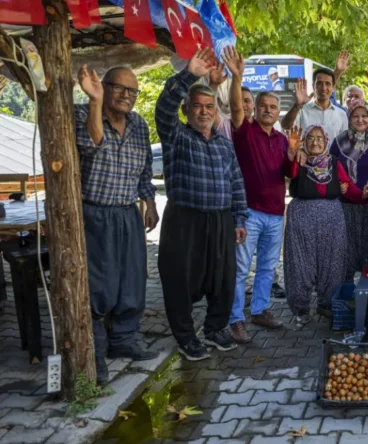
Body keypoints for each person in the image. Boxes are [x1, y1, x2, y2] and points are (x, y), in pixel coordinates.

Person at [155, 48, 248, 361]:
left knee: (223, 278)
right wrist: (188, 76)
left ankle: (215, 329)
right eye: (197, 106)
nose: (204, 111)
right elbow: (163, 110)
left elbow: (236, 183)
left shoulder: (223, 143)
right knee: (179, 279)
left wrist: (239, 219)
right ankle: (186, 337)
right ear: (187, 109)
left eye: (209, 106)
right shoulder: (176, 136)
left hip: (221, 220)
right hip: (184, 220)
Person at [75, 65, 159, 383]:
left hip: (127, 212)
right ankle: (95, 351)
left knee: (131, 280)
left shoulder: (138, 124)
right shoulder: (83, 113)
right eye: (120, 88)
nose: (127, 95)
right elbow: (93, 144)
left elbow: (145, 169)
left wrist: (150, 203)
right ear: (105, 86)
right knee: (100, 285)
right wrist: (95, 101)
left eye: (132, 90)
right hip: (95, 213)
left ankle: (124, 340)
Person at [221, 47, 288, 342]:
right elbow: (237, 109)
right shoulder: (245, 131)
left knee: (267, 267)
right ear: (256, 109)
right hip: (248, 212)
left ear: (277, 112)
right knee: (239, 269)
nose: (268, 110)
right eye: (264, 106)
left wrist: (295, 155)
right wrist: (237, 77)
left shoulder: (283, 140)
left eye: (273, 107)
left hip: (276, 214)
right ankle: (235, 319)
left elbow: (289, 172)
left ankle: (259, 309)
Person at [283, 125, 368, 322]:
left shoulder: (333, 162)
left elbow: (349, 188)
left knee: (332, 261)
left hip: (331, 217)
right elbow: (290, 172)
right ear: (305, 142)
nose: (315, 142)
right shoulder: (300, 159)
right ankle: (301, 309)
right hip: (302, 218)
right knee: (301, 263)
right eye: (310, 138)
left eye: (319, 138)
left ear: (325, 141)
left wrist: (364, 194)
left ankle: (327, 304)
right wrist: (292, 153)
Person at [330, 70, 368, 301]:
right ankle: (346, 298)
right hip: (346, 207)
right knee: (346, 252)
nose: (360, 120)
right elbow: (331, 168)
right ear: (349, 118)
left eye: (364, 116)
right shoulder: (339, 142)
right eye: (355, 116)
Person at [281, 63, 347, 146]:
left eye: (327, 84)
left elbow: (344, 144)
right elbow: (285, 126)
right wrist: (297, 105)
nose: (323, 88)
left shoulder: (341, 114)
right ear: (313, 86)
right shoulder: (302, 110)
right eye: (319, 83)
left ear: (333, 88)